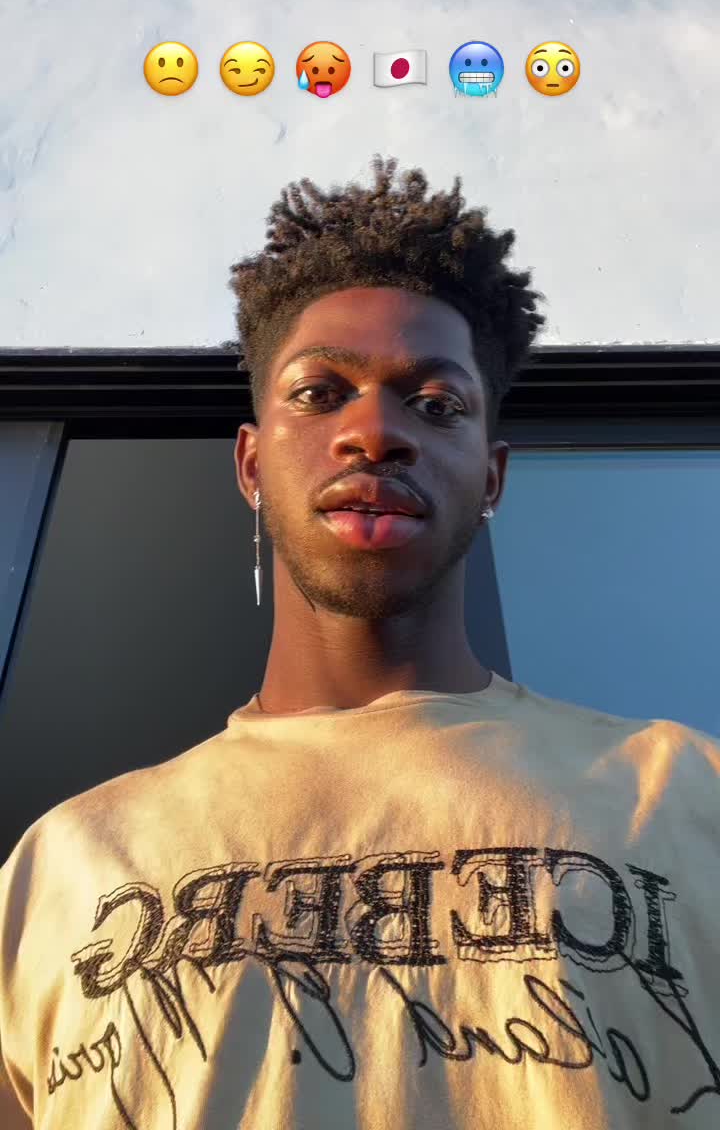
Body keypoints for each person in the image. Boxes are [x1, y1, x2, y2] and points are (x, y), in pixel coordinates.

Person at [1, 156, 718, 1130]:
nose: (374, 431)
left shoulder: (690, 796)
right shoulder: (58, 866)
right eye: (319, 391)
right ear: (251, 463)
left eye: (437, 403)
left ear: (492, 475)